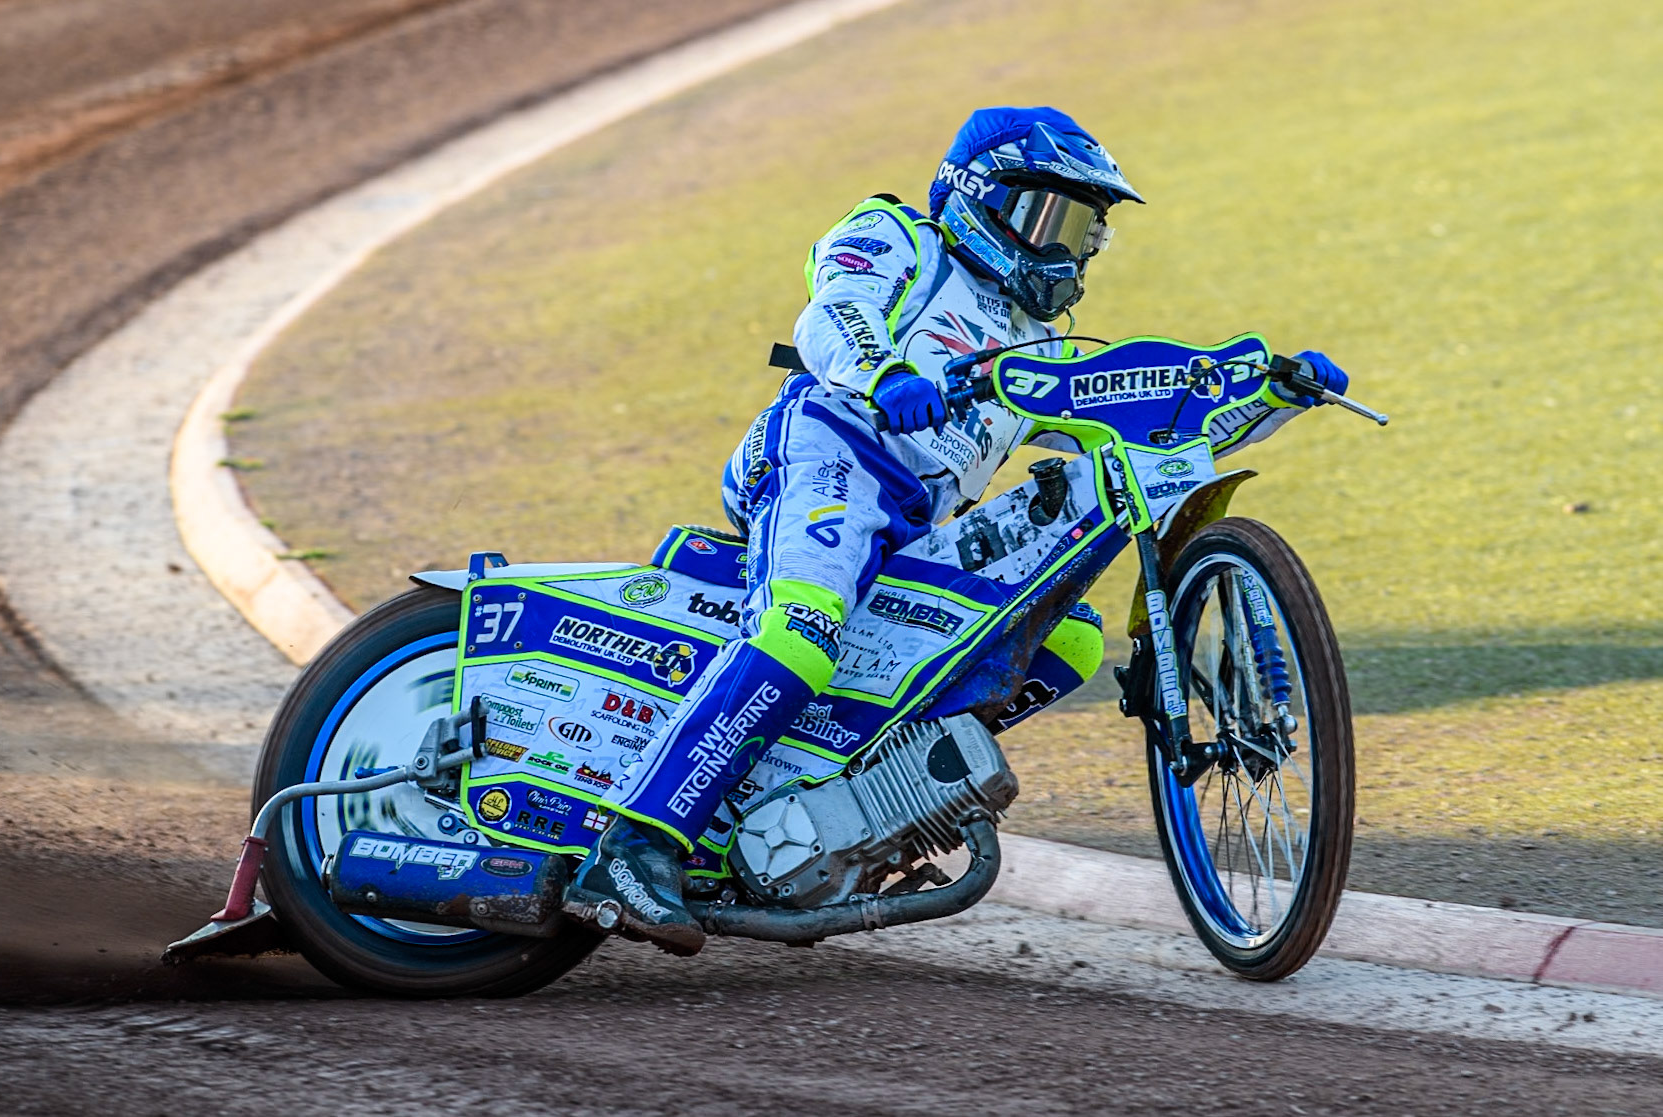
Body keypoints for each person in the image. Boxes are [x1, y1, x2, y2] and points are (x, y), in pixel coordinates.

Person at [561, 106, 1349, 954]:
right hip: (830, 450)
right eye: (1047, 216)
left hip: (914, 521)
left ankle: (865, 799)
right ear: (980, 196)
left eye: (1083, 230)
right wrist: (889, 371)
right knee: (800, 632)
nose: (1064, 247)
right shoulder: (902, 235)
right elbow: (834, 313)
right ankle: (634, 846)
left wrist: (1263, 394)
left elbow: (1137, 416)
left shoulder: (1036, 337)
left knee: (1069, 640)